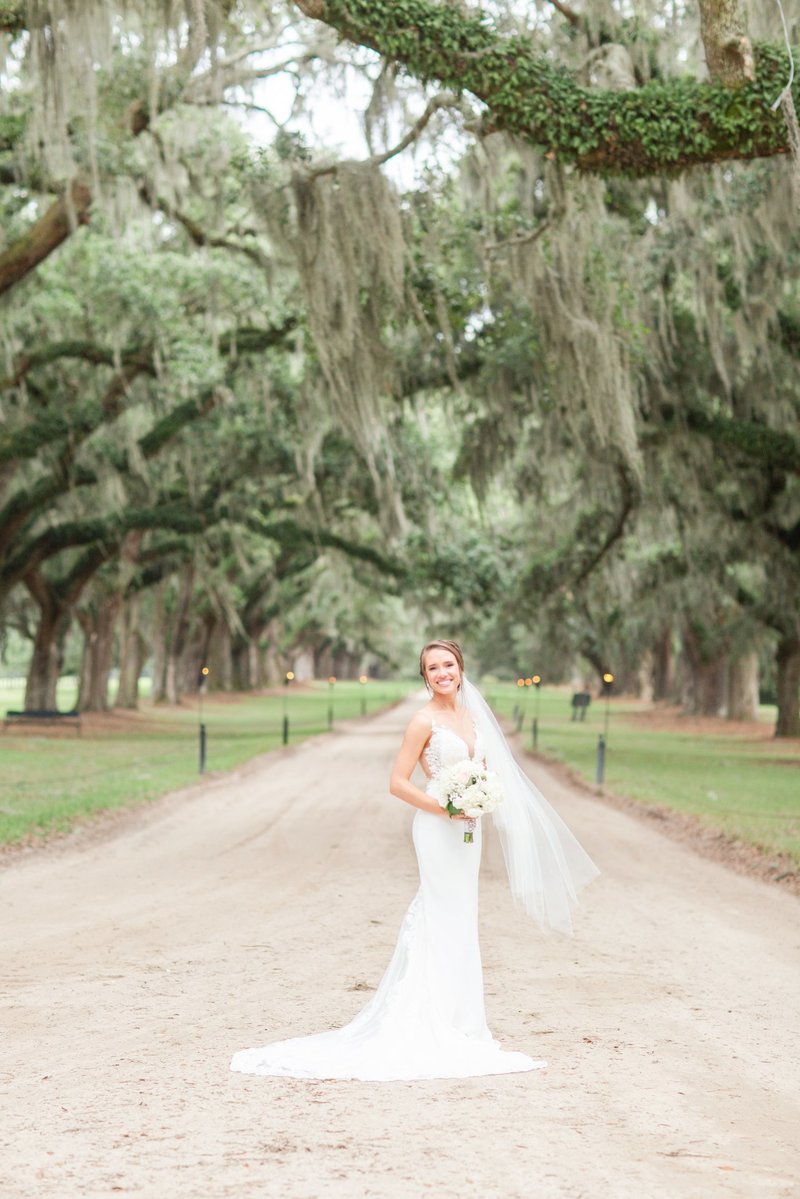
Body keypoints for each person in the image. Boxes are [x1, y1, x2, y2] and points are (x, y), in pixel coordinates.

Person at [230, 639, 598, 1082]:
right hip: (437, 827)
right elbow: (397, 783)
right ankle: (432, 1018)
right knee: (441, 913)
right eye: (433, 668)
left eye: (448, 664)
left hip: (468, 831)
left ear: (461, 668)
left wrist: (481, 798)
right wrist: (446, 806)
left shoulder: (475, 717)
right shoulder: (423, 721)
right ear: (424, 677)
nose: (442, 673)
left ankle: (462, 1021)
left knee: (462, 917)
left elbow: (490, 771)